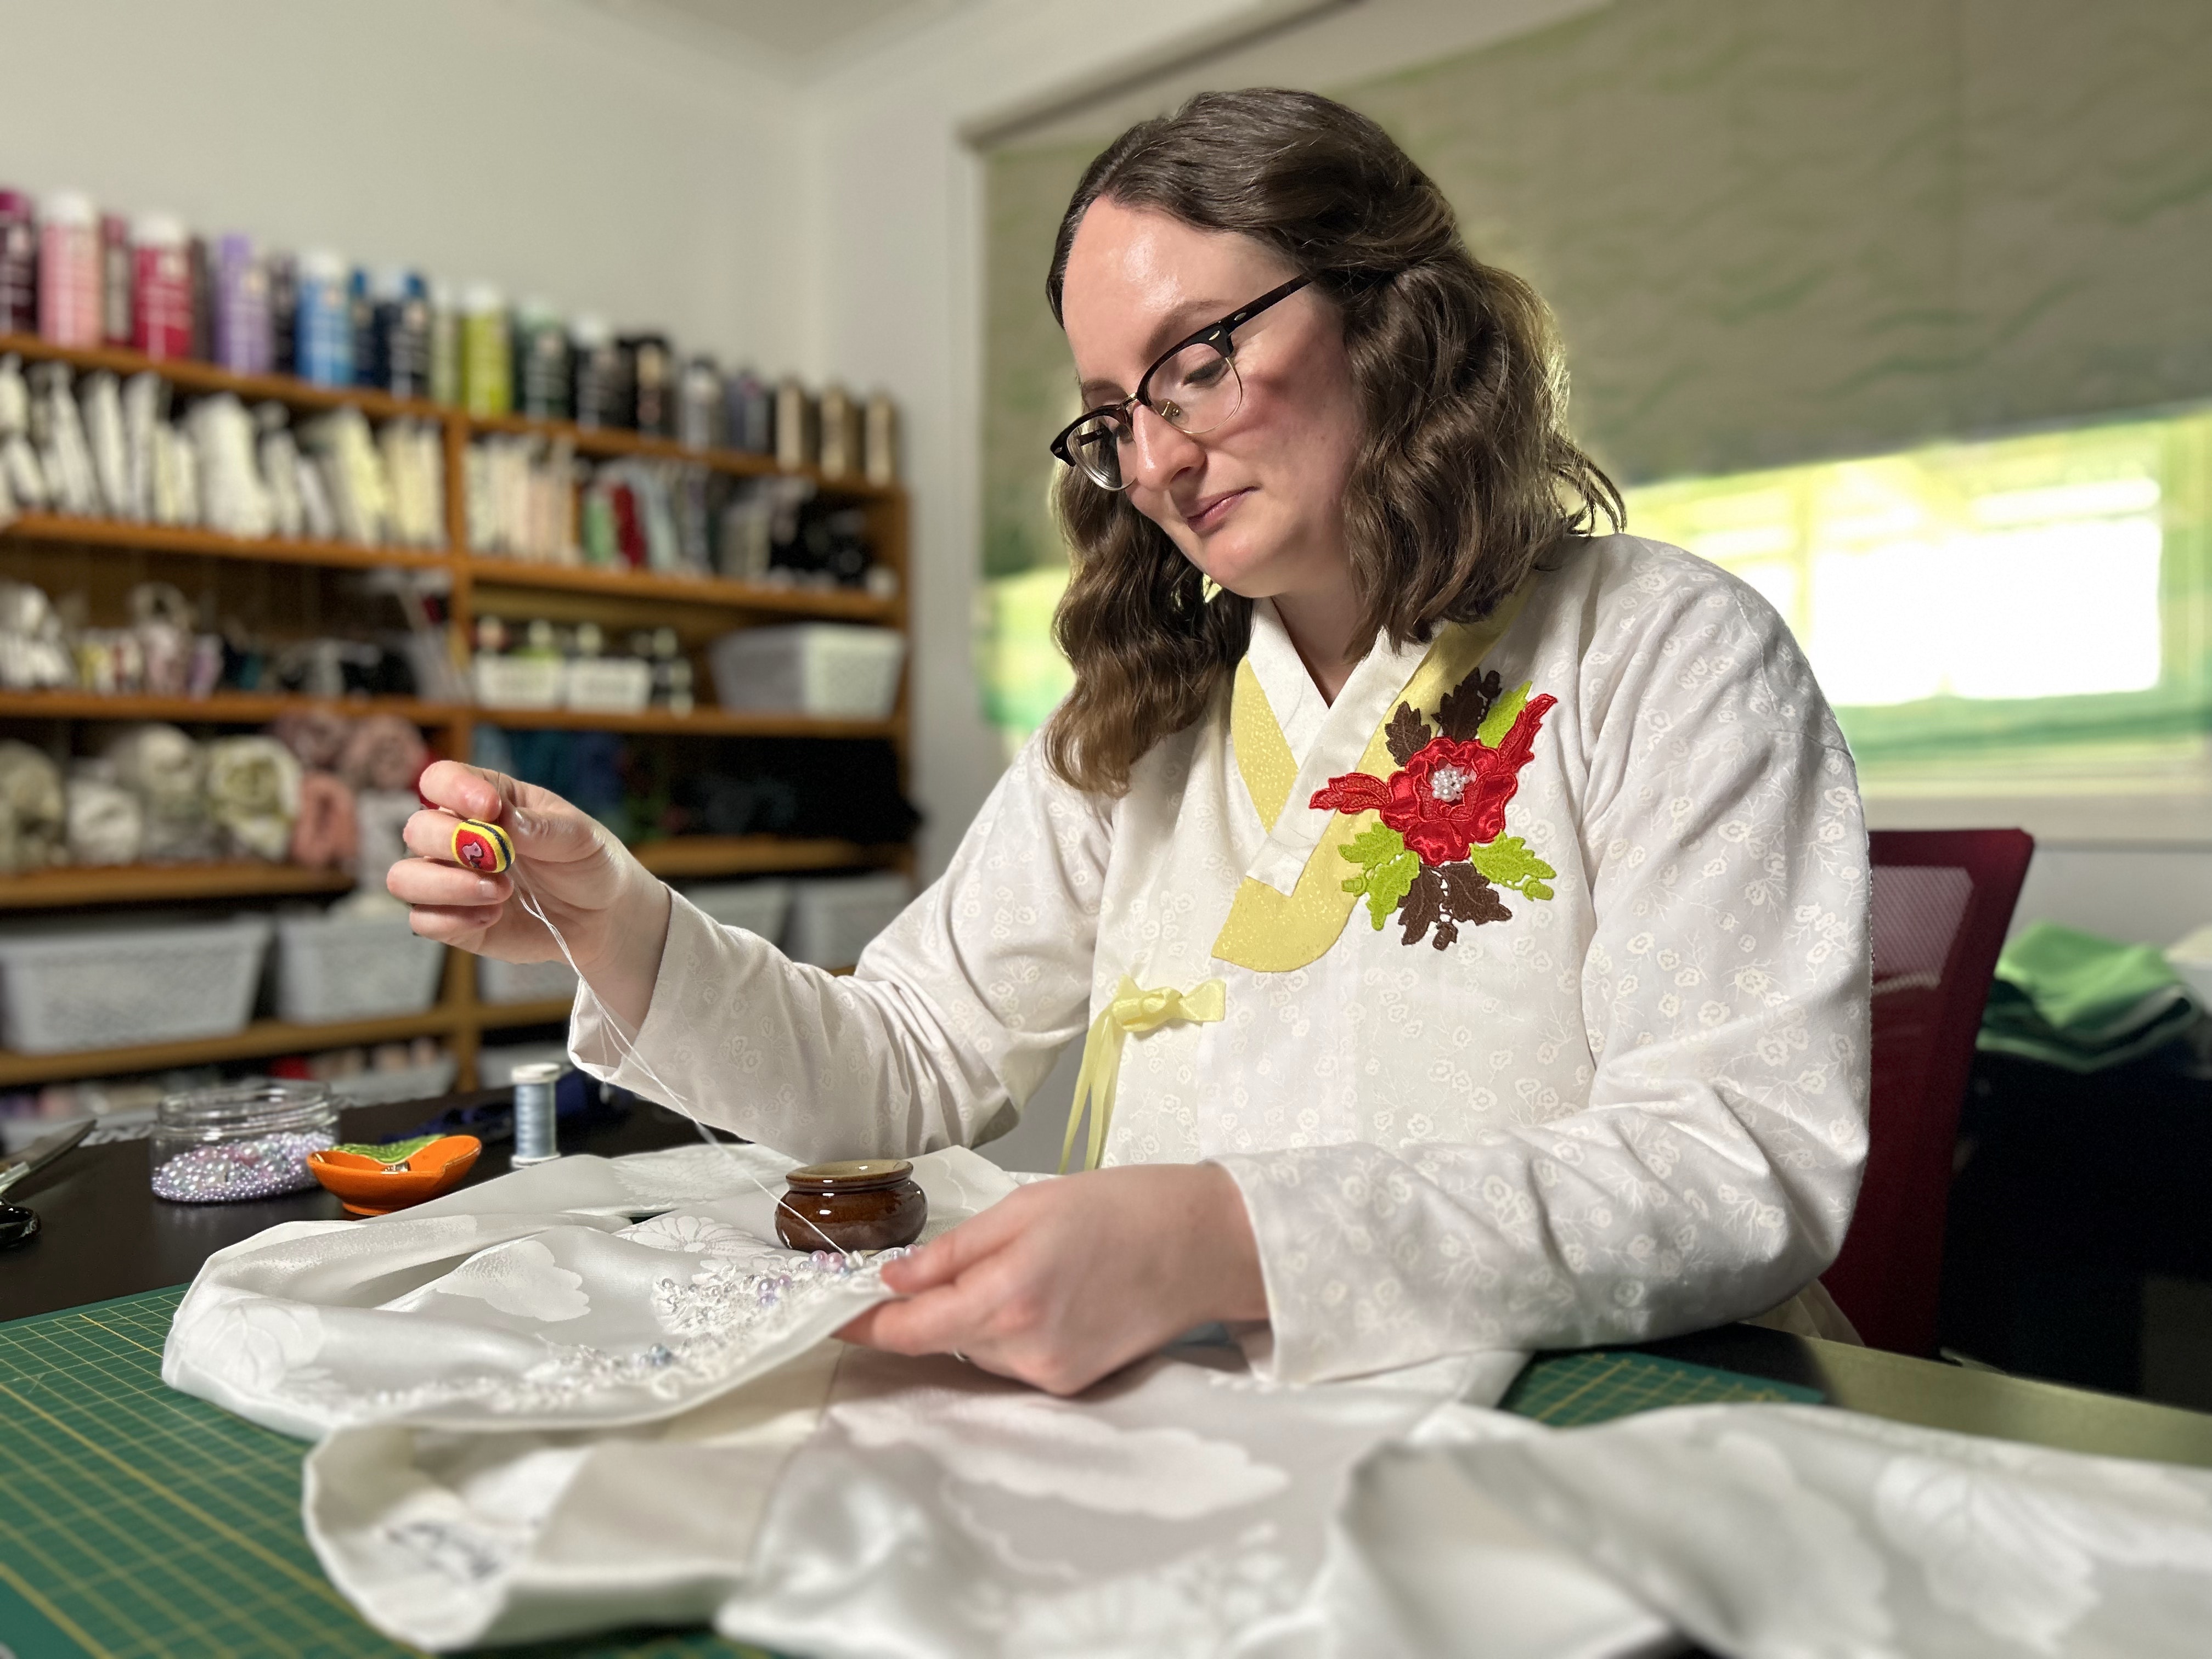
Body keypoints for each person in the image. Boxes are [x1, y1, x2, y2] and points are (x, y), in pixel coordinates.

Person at [393, 89, 1870, 1397]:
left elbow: (1734, 1163)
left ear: (1388, 314)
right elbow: (901, 1063)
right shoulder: (1141, 720)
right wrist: (618, 924)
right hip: (1244, 1414)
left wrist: (1228, 1237)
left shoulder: (1667, 648)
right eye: (1111, 412)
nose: (1154, 459)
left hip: (1621, 1413)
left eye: (1199, 360)